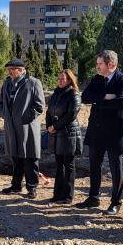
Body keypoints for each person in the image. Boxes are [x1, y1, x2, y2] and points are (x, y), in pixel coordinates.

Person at [76, 50, 123, 215]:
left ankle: (116, 202)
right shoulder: (97, 79)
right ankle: (93, 197)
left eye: (100, 64)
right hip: (96, 130)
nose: (97, 67)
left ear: (111, 64)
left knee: (115, 168)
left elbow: (121, 101)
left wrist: (98, 101)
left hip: (115, 132)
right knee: (94, 165)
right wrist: (105, 97)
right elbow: (85, 97)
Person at [0, 58, 46, 199]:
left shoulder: (33, 82)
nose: (10, 71)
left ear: (21, 69)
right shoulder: (7, 83)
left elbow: (39, 106)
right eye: (9, 69)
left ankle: (32, 188)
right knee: (16, 157)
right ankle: (16, 186)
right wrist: (3, 114)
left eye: (13, 69)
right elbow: (0, 102)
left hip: (27, 127)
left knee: (30, 158)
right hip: (11, 127)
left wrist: (24, 118)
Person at [45, 69, 82, 204]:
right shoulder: (56, 93)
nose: (60, 81)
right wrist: (49, 126)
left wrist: (55, 127)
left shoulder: (73, 94)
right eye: (59, 78)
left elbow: (71, 115)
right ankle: (57, 195)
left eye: (63, 79)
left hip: (68, 134)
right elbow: (49, 112)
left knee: (68, 165)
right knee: (59, 165)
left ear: (69, 80)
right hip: (56, 134)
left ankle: (67, 196)